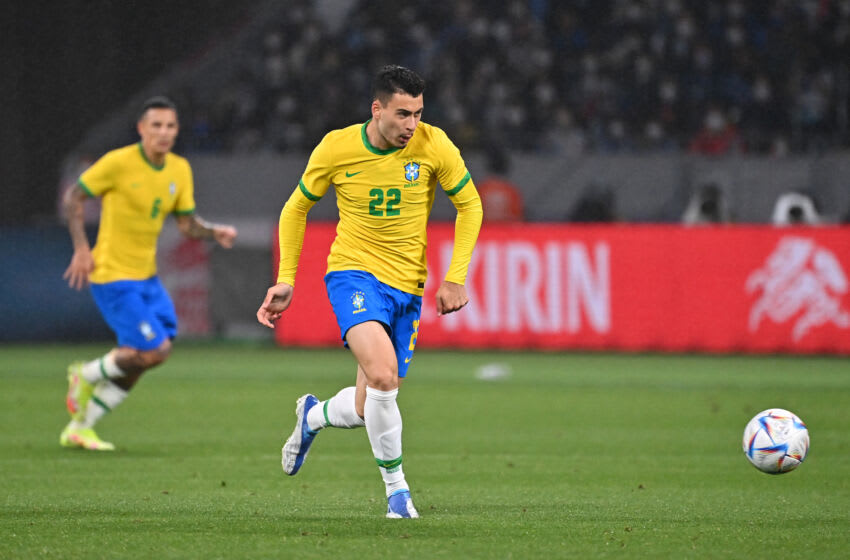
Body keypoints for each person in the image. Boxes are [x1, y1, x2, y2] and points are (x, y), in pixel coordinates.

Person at [256, 65, 483, 519]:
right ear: (376, 109)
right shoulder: (337, 147)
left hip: (407, 287)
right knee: (382, 376)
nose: (412, 125)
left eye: (418, 113)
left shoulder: (434, 144)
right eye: (402, 114)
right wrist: (286, 278)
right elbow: (296, 208)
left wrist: (456, 275)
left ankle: (313, 416)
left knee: (366, 406)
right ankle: (397, 494)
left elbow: (470, 204)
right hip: (353, 275)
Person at [61, 96, 238, 451]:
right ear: (142, 129)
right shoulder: (118, 163)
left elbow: (187, 224)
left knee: (149, 356)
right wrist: (82, 248)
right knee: (153, 349)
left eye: (170, 126)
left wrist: (212, 231)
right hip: (112, 274)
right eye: (156, 125)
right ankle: (86, 374)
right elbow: (73, 197)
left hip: (147, 278)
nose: (163, 132)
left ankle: (81, 428)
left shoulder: (179, 169)